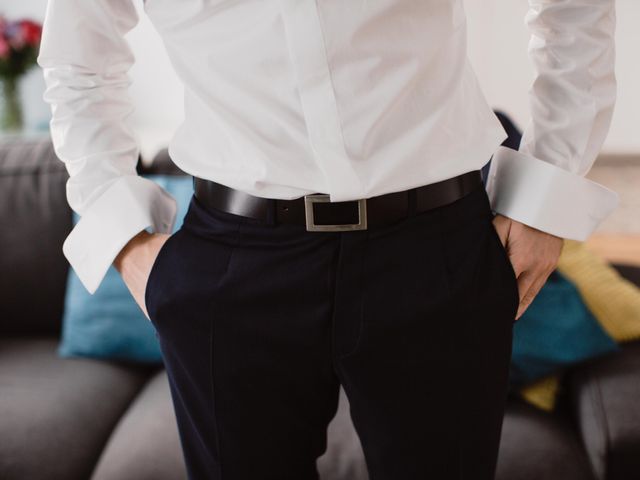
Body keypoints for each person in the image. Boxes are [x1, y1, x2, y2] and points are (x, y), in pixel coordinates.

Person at [36, 1, 618, 479]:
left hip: (436, 250)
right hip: (232, 266)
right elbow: (76, 64)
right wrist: (126, 243)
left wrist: (548, 197)